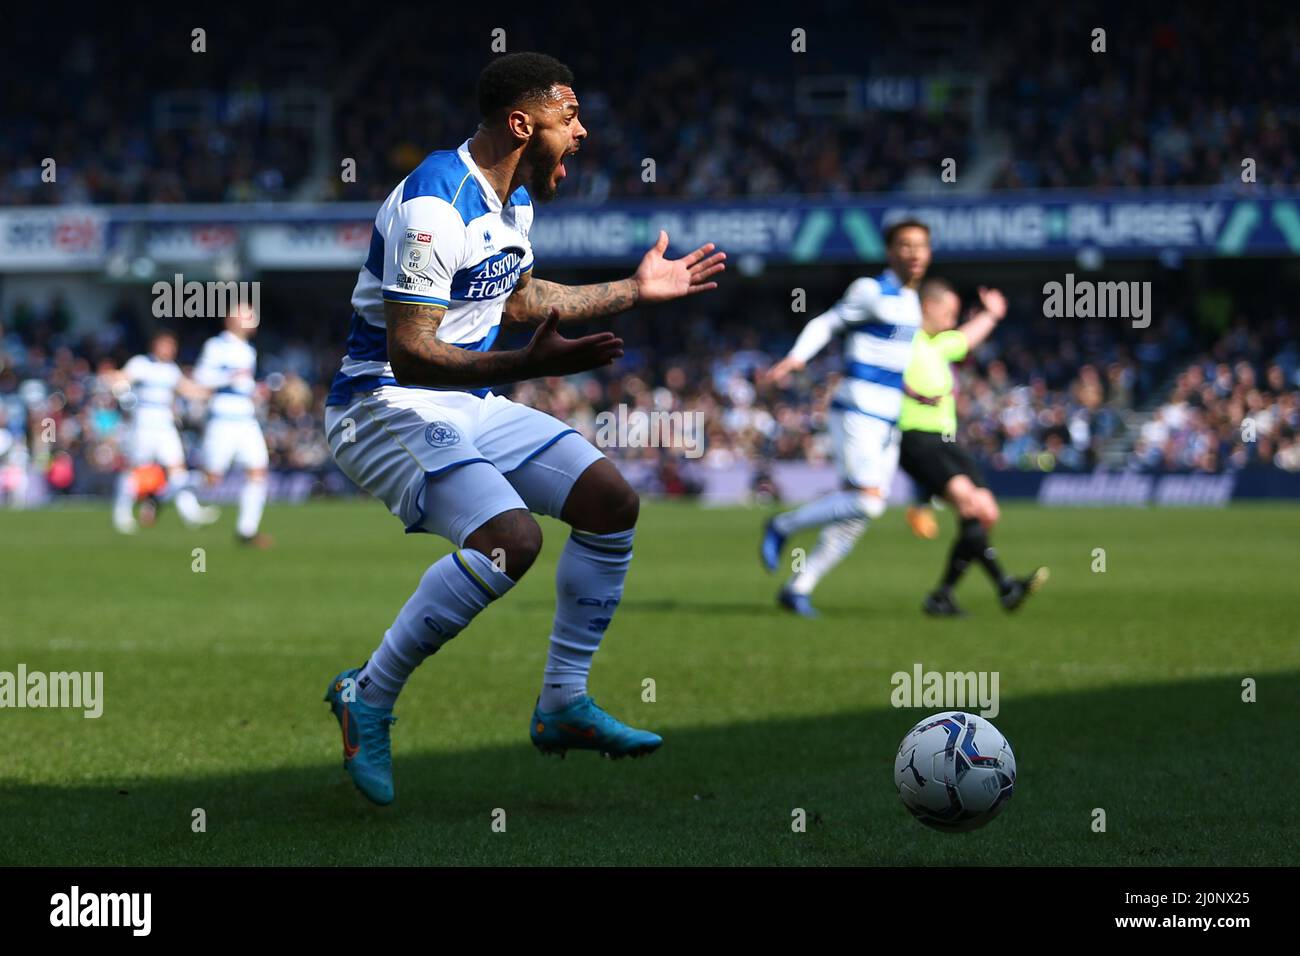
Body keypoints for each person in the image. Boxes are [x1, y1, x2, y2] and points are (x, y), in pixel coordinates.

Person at [321, 52, 725, 805]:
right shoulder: (434, 207)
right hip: (380, 405)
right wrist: (519, 369)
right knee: (512, 540)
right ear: (521, 124)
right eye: (568, 118)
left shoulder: (514, 203)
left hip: (461, 399)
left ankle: (562, 704)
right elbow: (410, 354)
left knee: (610, 502)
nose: (582, 132)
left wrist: (633, 291)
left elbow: (516, 299)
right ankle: (368, 696)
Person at [758, 221, 931, 617]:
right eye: (906, 246)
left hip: (889, 418)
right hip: (857, 411)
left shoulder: (910, 300)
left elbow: (888, 359)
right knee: (867, 503)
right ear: (890, 252)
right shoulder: (871, 290)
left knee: (858, 514)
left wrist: (909, 391)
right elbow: (827, 322)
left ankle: (798, 589)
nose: (915, 253)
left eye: (921, 246)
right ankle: (783, 526)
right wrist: (797, 358)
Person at [898, 279, 1048, 616]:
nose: (952, 319)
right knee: (971, 506)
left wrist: (992, 314)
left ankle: (944, 595)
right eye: (948, 312)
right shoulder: (904, 338)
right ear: (927, 307)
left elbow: (967, 337)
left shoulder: (940, 345)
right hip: (916, 436)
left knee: (987, 512)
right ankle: (1005, 585)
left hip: (947, 439)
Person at [112, 330, 215, 534]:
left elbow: (187, 389)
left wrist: (210, 392)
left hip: (165, 424)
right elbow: (121, 378)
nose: (169, 350)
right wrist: (119, 387)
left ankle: (190, 512)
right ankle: (122, 513)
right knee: (136, 471)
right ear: (155, 346)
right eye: (165, 345)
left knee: (177, 469)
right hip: (144, 423)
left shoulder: (171, 370)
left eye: (172, 346)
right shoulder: (141, 364)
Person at [195, 307, 273, 547]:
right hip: (223, 419)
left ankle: (246, 531)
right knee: (211, 478)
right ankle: (163, 492)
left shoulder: (248, 350)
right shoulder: (216, 346)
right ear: (231, 319)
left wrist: (256, 391)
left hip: (246, 419)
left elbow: (244, 384)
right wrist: (230, 377)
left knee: (258, 470)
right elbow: (201, 378)